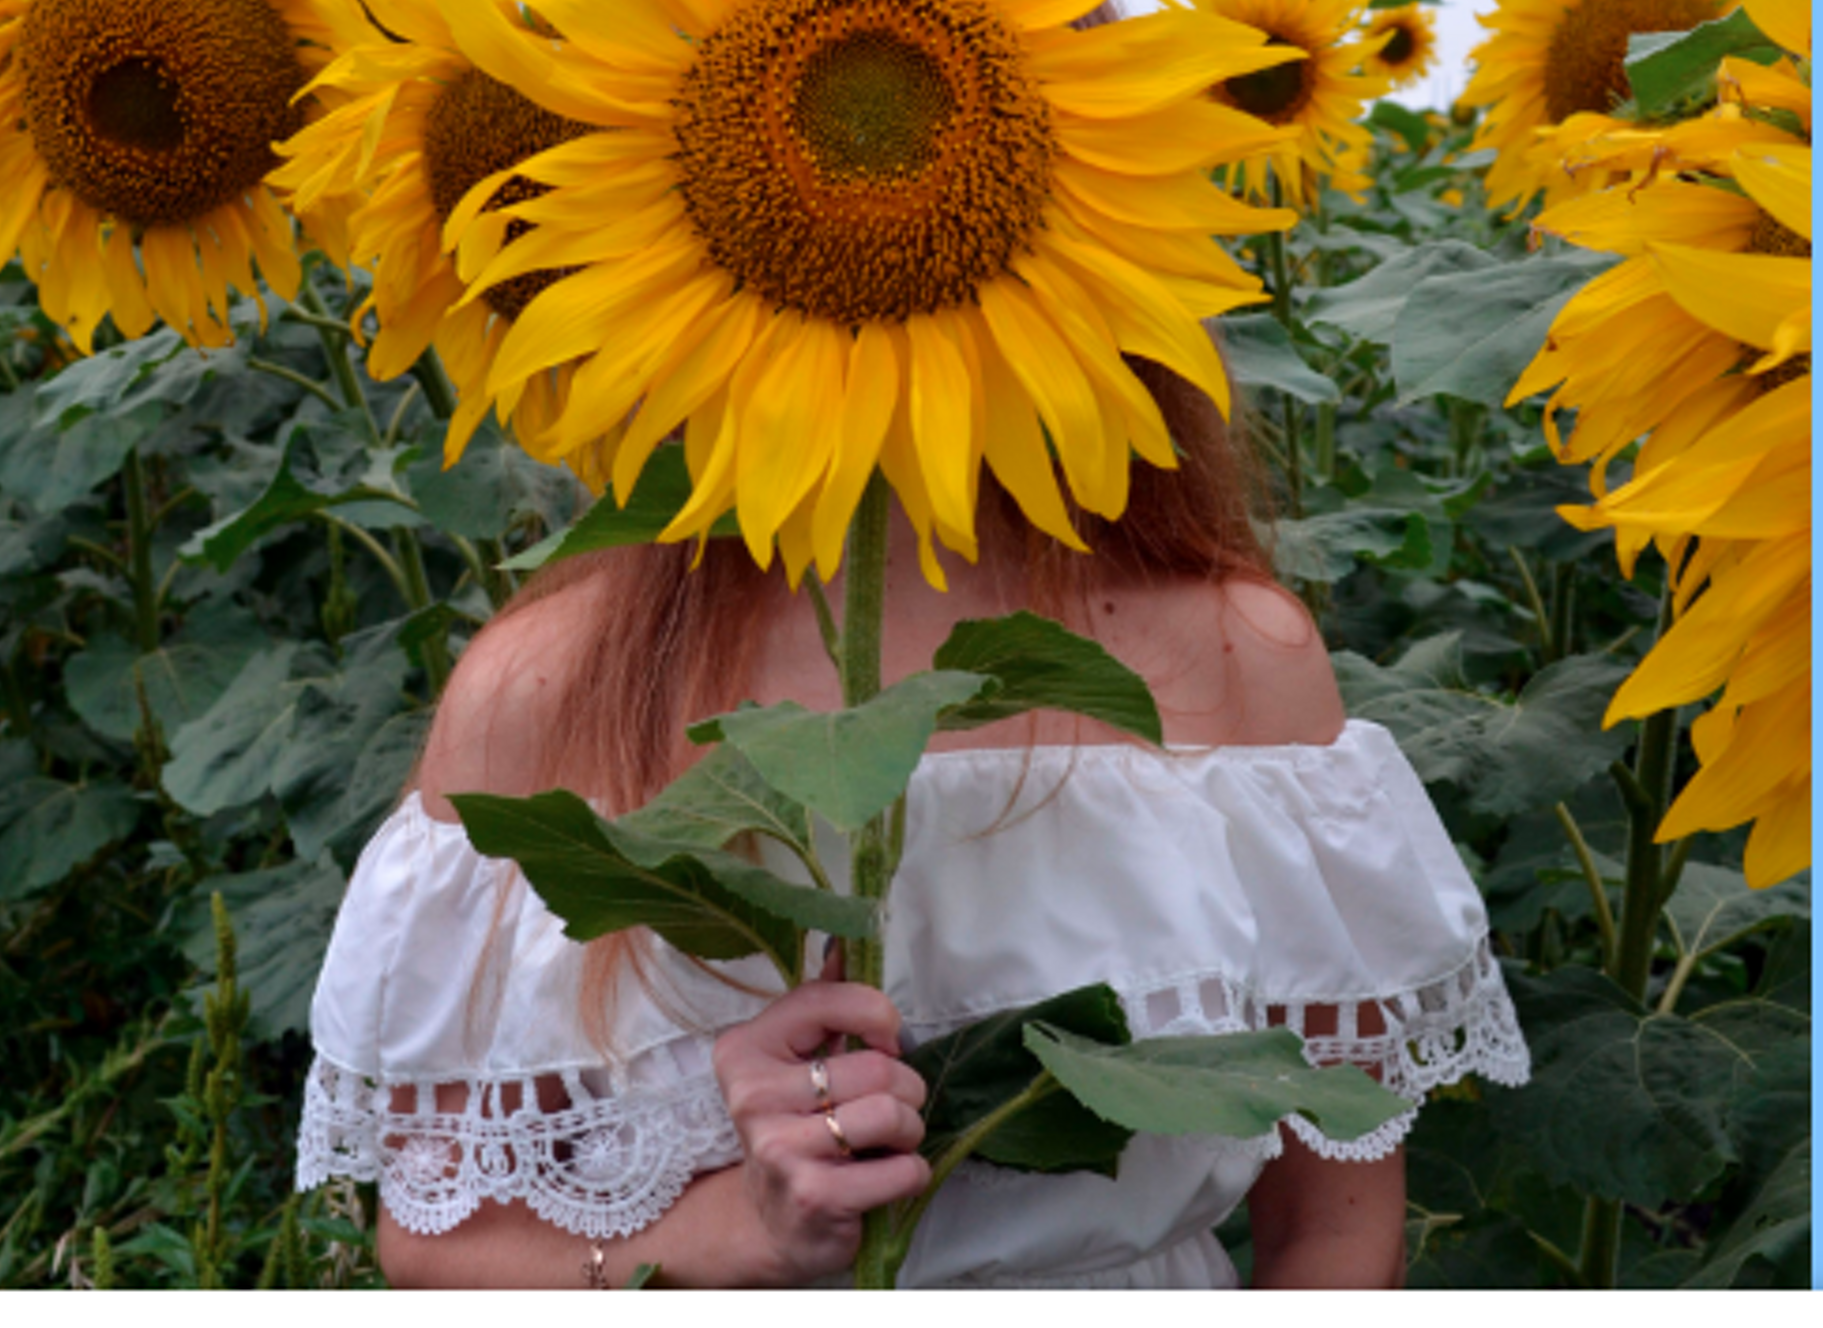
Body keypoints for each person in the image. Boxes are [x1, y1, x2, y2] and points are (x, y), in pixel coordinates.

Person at [294, 356, 1530, 1288]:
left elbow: (1336, 1209)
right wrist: (734, 1233)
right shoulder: (556, 691)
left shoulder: (1230, 658)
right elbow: (433, 1240)